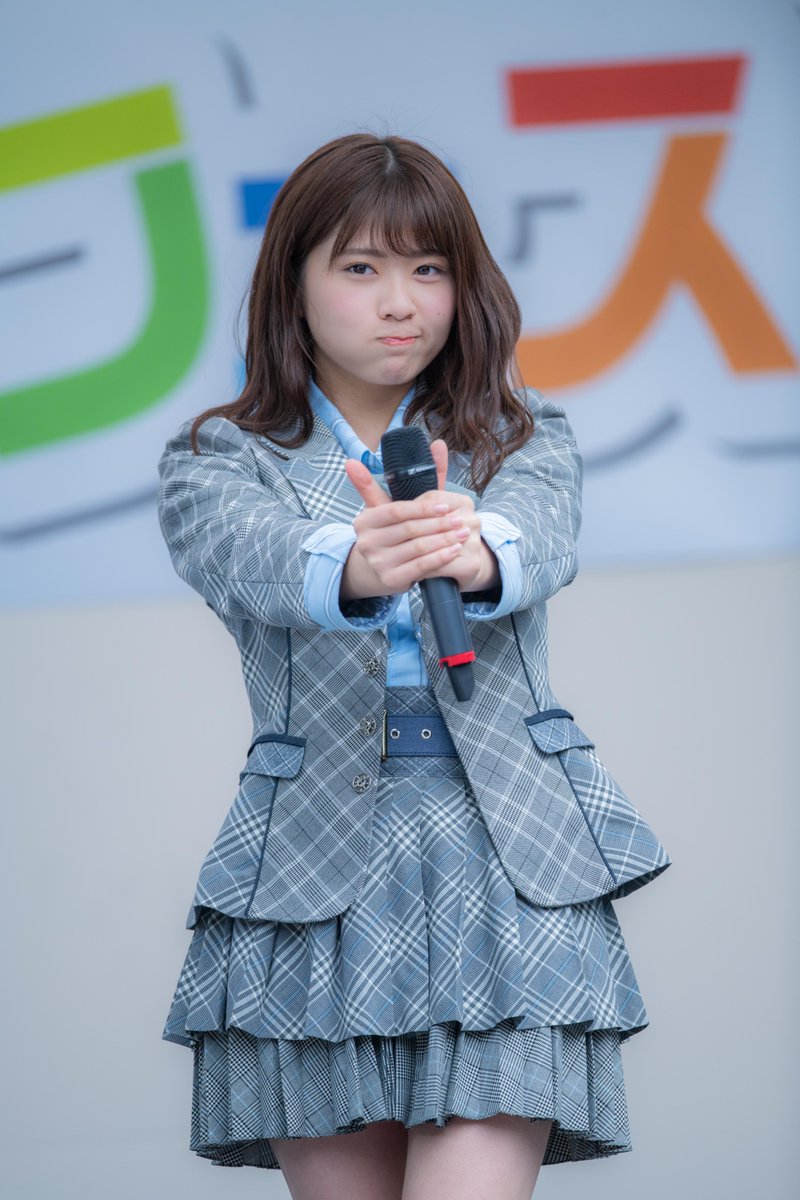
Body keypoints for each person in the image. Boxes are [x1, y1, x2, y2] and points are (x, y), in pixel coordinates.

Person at [157, 132, 671, 1200]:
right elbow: (249, 557)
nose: (400, 302)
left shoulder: (521, 436)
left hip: (506, 854)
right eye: (361, 267)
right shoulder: (218, 459)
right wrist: (355, 559)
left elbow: (537, 539)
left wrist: (471, 551)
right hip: (311, 874)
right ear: (292, 285)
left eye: (428, 269)